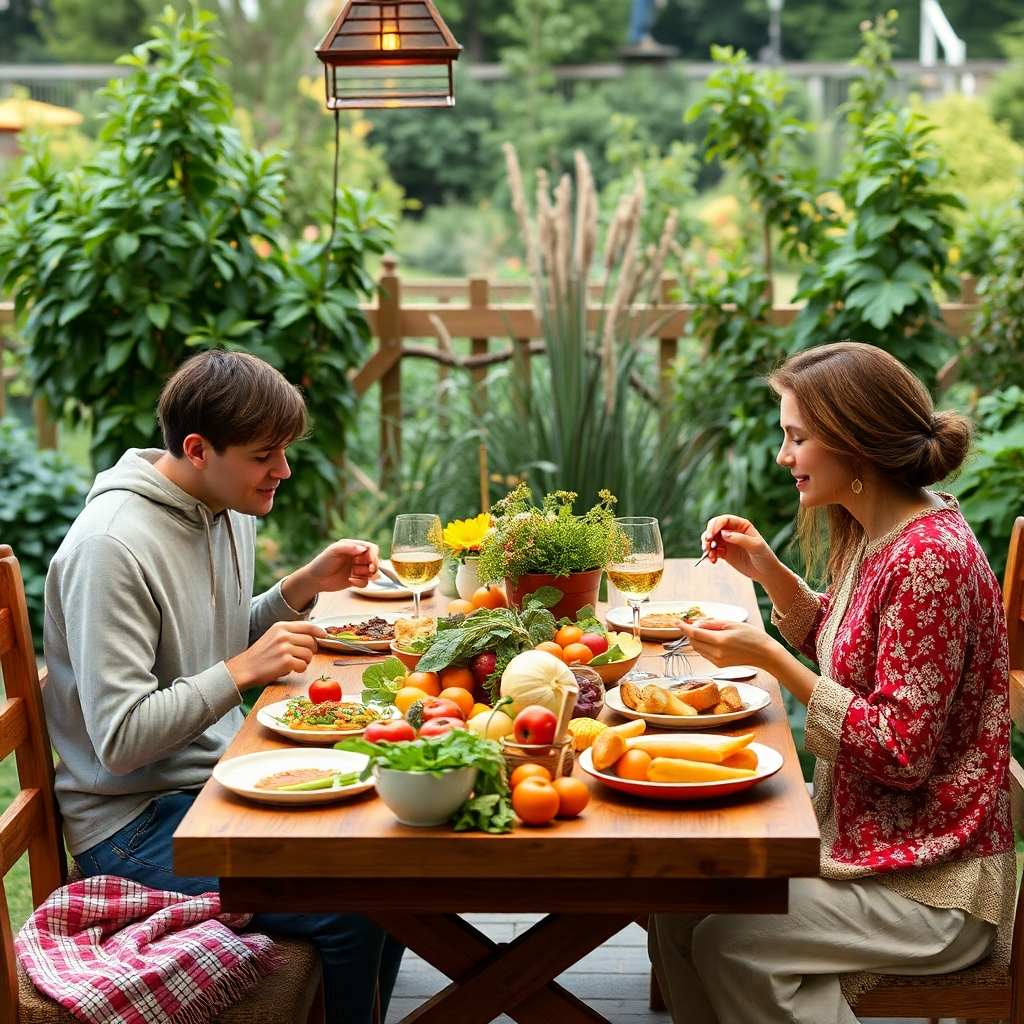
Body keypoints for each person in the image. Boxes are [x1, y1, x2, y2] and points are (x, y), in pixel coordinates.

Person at [649, 342, 1014, 1024]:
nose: (785, 456)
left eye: (797, 438)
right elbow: (849, 647)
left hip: (931, 885)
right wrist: (771, 574)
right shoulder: (879, 528)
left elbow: (900, 752)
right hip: (867, 847)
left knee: (734, 943)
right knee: (677, 901)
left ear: (855, 444)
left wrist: (772, 660)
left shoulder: (927, 560)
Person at [43, 349, 404, 1024]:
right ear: (198, 448)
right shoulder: (110, 549)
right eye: (267, 453)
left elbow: (207, 638)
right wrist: (241, 671)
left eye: (287, 449)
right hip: (131, 827)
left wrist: (298, 589)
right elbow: (119, 740)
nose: (284, 470)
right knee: (358, 902)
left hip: (214, 785)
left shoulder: (222, 502)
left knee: (389, 847)